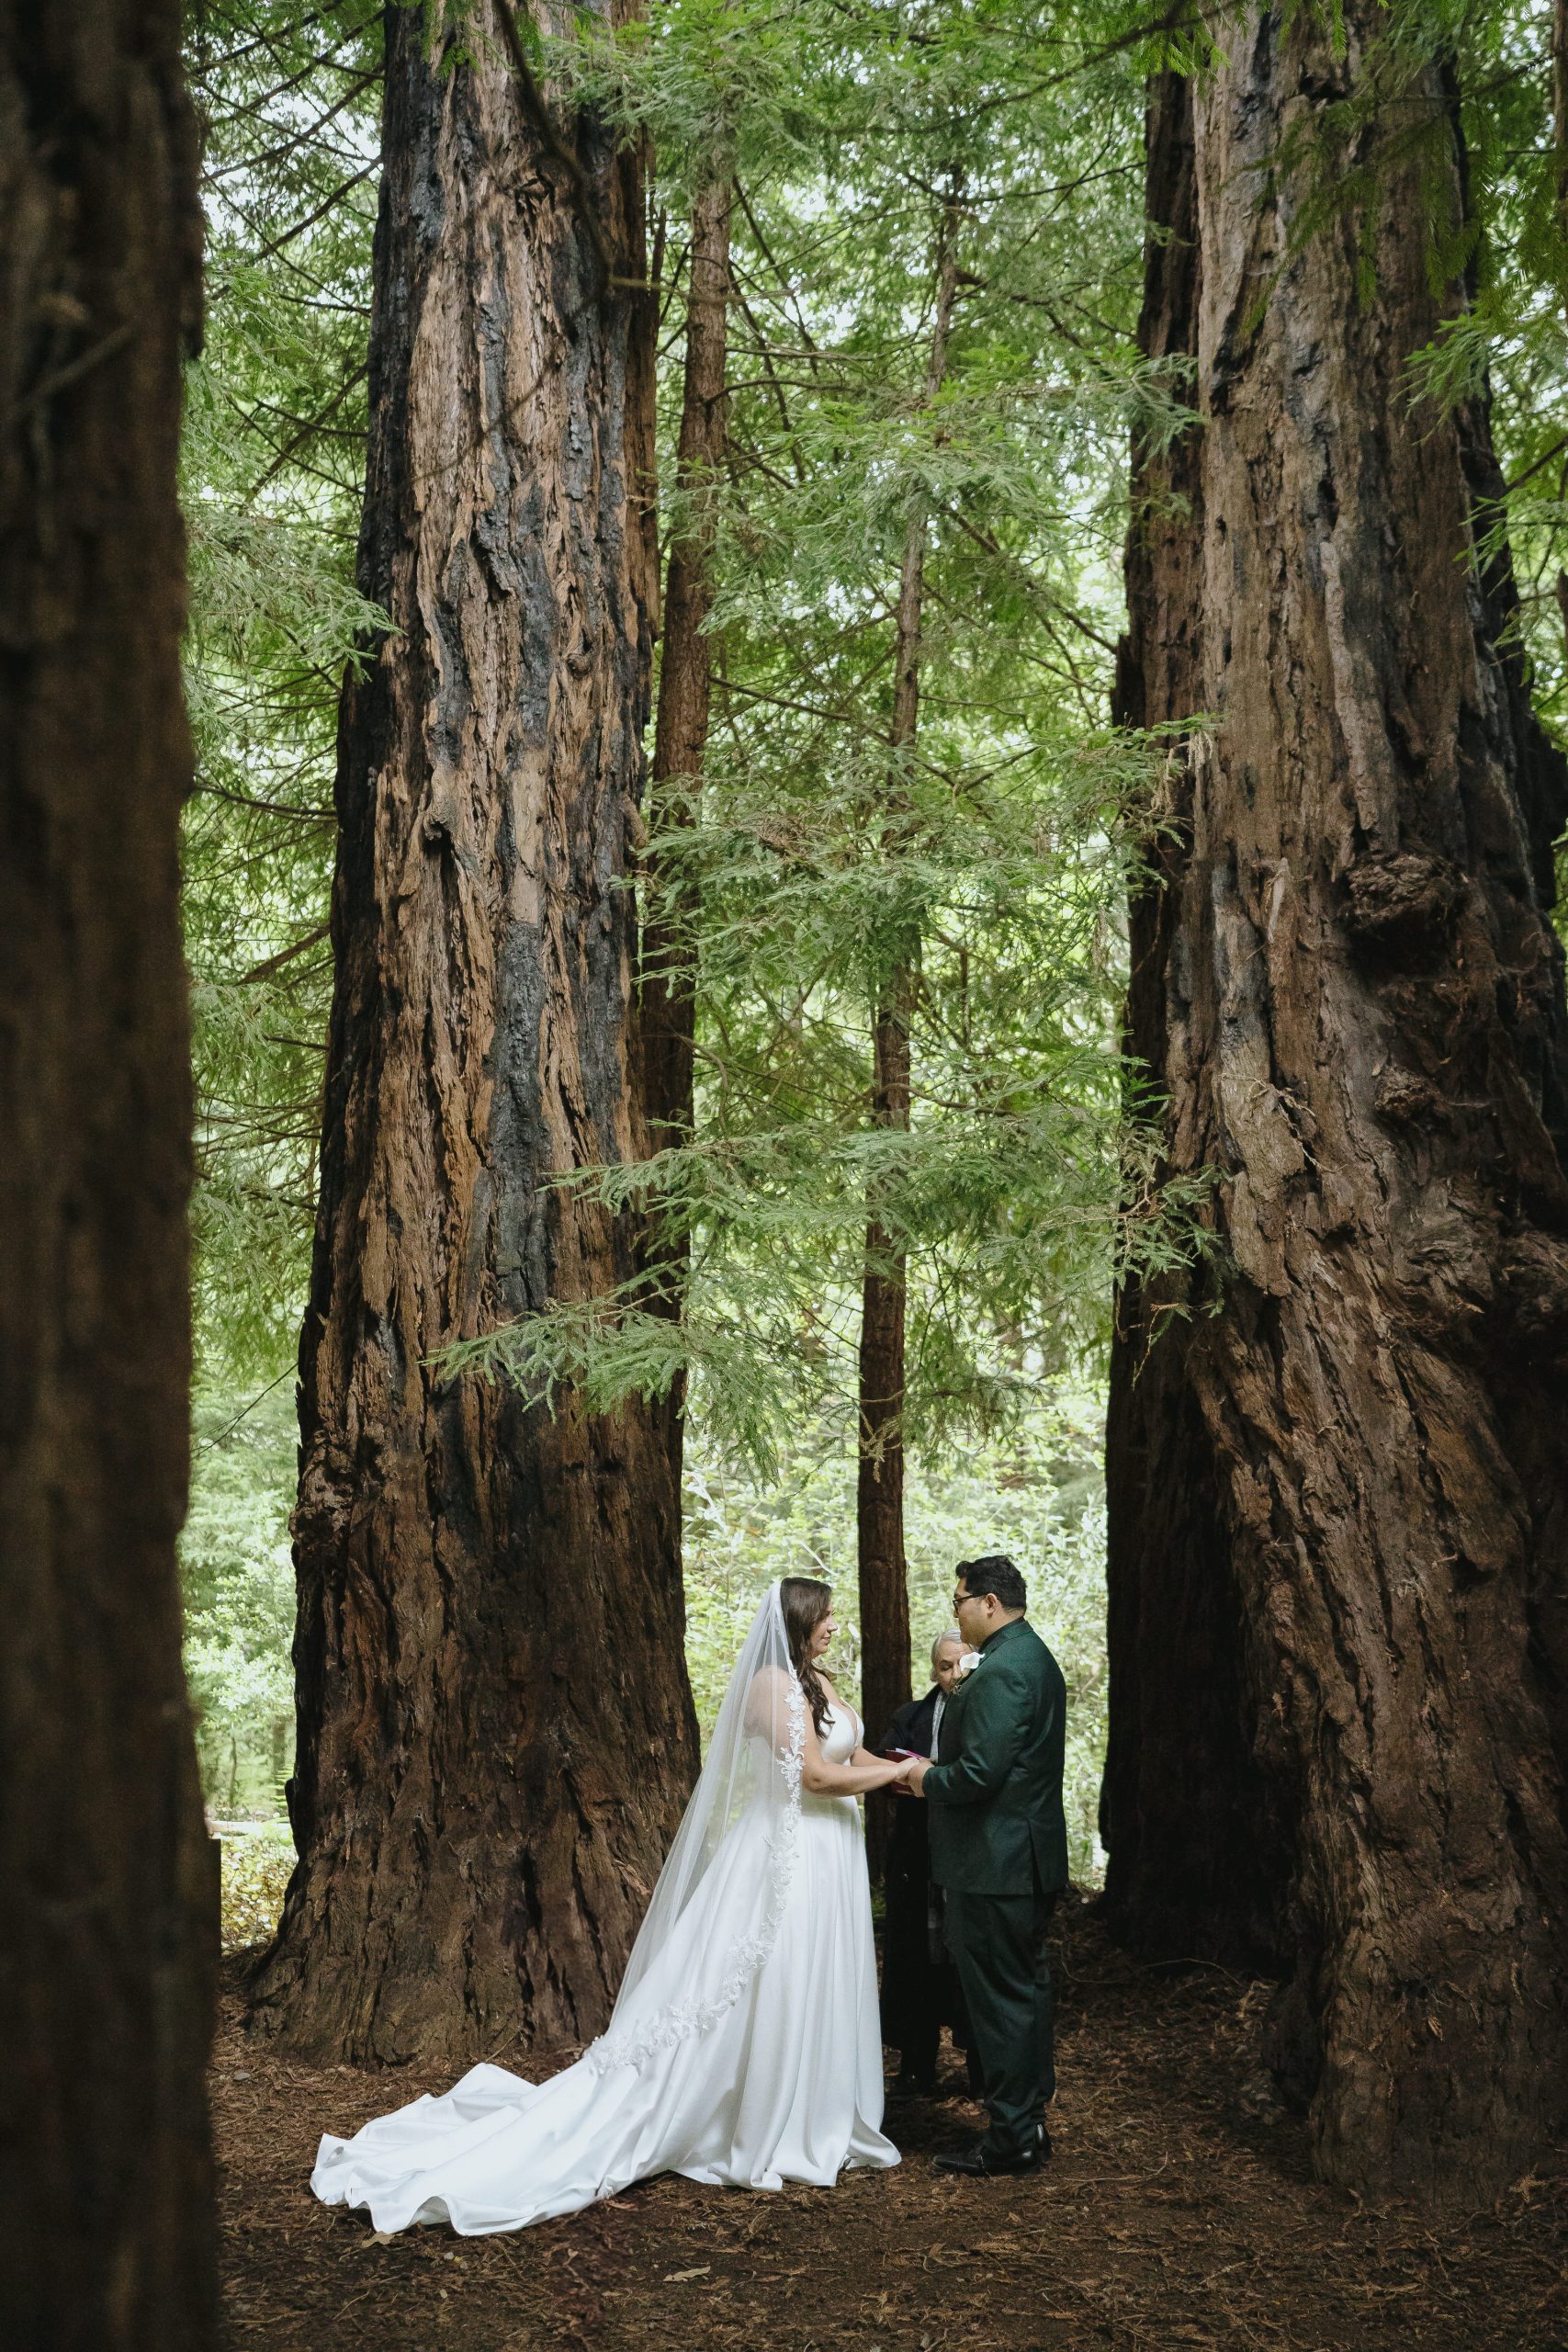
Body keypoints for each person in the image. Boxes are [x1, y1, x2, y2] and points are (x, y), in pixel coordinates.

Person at [310, 1578, 916, 2233]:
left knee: (808, 1979)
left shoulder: (817, 1682)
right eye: (825, 1616)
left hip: (832, 1856)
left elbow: (849, 1753)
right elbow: (818, 1778)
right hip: (785, 1857)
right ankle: (756, 2117)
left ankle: (809, 2110)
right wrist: (898, 1775)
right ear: (798, 1620)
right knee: (765, 1979)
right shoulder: (770, 1684)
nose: (834, 1625)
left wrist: (910, 1769)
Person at [905, 1555, 1067, 2178]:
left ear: (989, 1604)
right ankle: (1027, 2125)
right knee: (1023, 1993)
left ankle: (1010, 2140)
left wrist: (923, 1777)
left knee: (1000, 2003)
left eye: (959, 1601)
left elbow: (978, 1774)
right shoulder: (1030, 1656)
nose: (955, 1611)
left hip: (995, 1863)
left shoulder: (1002, 1671)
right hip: (1021, 1858)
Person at [878, 1629, 975, 2095]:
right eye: (944, 1666)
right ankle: (917, 2064)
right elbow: (880, 1763)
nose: (954, 1675)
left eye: (962, 1665)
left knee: (967, 1957)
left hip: (972, 1854)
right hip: (917, 1855)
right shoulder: (910, 1715)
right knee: (917, 1957)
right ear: (933, 1668)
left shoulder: (987, 1707)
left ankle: (983, 2067)